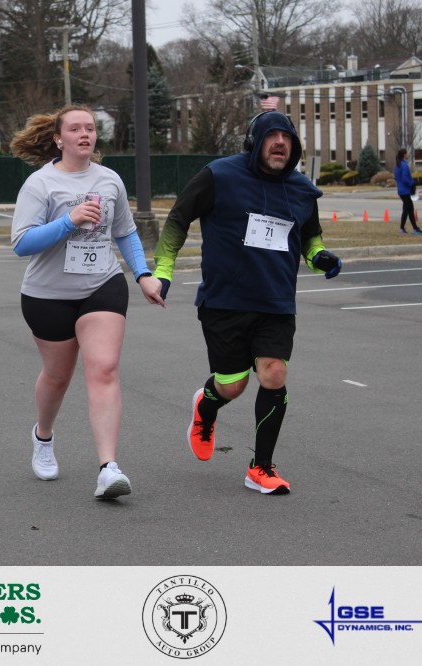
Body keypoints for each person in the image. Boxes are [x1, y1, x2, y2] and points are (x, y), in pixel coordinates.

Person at [145, 109, 342, 495]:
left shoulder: (302, 189)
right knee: (232, 385)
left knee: (274, 374)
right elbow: (178, 219)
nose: (280, 143)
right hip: (225, 302)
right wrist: (163, 270)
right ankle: (206, 406)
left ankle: (261, 468)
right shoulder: (219, 175)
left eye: (287, 138)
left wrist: (320, 256)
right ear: (254, 142)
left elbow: (310, 236)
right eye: (272, 136)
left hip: (276, 303)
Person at [9, 104, 165, 500]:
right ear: (58, 139)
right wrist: (70, 220)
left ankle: (108, 468)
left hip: (102, 285)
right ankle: (43, 436)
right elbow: (22, 243)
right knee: (58, 376)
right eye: (75, 128)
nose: (84, 134)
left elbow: (125, 232)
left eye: (90, 128)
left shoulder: (109, 180)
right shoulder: (40, 184)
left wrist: (143, 274)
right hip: (48, 294)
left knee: (104, 369)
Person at [394, 149, 422, 234]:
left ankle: (405, 228)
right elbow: (404, 179)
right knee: (409, 210)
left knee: (407, 209)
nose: (408, 155)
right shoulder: (404, 165)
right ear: (404, 155)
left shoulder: (397, 165)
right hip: (406, 191)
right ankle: (413, 228)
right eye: (407, 153)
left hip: (401, 190)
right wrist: (412, 183)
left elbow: (396, 178)